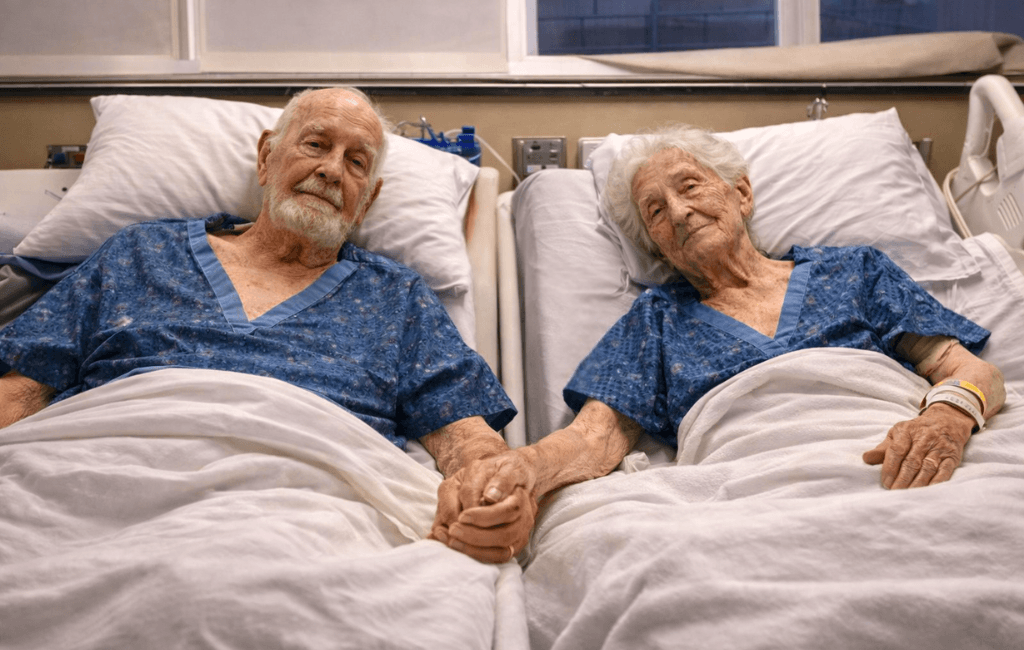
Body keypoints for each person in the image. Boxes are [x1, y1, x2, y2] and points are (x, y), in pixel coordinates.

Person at [0, 87, 533, 564]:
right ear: (265, 157)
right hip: (105, 485)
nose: (331, 170)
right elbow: (21, 389)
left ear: (367, 200)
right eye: (315, 144)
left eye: (356, 163)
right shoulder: (139, 254)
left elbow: (466, 437)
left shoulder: (397, 297)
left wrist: (492, 495)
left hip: (305, 518)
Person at [431, 123, 1007, 557]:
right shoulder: (655, 320)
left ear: (742, 194)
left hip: (889, 457)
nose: (680, 212)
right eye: (656, 211)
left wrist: (948, 418)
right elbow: (594, 439)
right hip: (751, 487)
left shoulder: (854, 271)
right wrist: (525, 470)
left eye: (690, 187)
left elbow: (969, 371)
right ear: (655, 245)